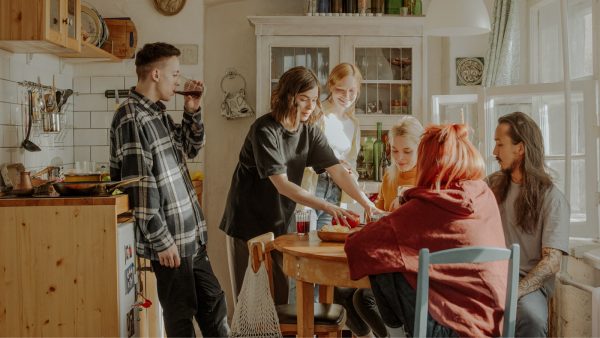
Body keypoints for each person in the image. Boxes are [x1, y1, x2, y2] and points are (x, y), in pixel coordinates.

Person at [219, 66, 381, 305]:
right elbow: (282, 185)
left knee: (281, 301)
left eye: (314, 100)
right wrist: (329, 207)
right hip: (246, 225)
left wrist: (367, 204)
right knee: (250, 303)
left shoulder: (309, 133)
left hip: (279, 225)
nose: (310, 106)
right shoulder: (265, 130)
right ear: (287, 97)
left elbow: (337, 170)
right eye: (303, 99)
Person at [109, 42, 229, 337]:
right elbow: (140, 185)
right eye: (175, 74)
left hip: (192, 237)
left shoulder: (158, 113)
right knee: (180, 322)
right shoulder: (131, 116)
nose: (179, 81)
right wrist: (161, 241)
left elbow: (190, 147)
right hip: (171, 241)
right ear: (155, 74)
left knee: (215, 313)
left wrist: (193, 109)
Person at [345, 124, 509, 337]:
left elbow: (359, 245)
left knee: (385, 260)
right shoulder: (483, 194)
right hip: (494, 324)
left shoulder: (428, 205)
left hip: (448, 330)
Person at [487, 111, 569, 337]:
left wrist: (515, 292)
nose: (494, 152)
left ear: (520, 149)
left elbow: (552, 261)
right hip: (491, 276)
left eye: (499, 144)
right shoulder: (492, 184)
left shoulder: (552, 198)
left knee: (531, 318)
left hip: (529, 283)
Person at [300, 62, 363, 228]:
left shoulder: (354, 124)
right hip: (313, 188)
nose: (346, 96)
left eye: (352, 91)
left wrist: (349, 170)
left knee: (325, 246)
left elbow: (352, 166)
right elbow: (301, 157)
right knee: (306, 246)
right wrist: (331, 164)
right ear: (331, 86)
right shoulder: (317, 115)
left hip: (336, 192)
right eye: (340, 90)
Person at [374, 115, 424, 212]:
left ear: (421, 149)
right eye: (395, 151)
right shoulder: (388, 177)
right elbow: (376, 217)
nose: (399, 158)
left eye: (407, 151)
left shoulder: (429, 181)